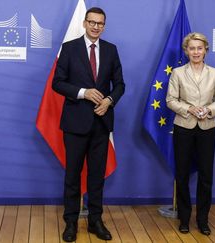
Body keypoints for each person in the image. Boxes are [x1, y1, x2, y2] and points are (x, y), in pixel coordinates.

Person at [52, 7, 125, 242]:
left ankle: (96, 221)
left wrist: (109, 100)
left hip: (101, 123)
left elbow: (121, 84)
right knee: (72, 176)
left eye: (100, 23)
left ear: (104, 25)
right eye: (92, 22)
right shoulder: (70, 48)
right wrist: (83, 92)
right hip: (75, 124)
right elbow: (58, 83)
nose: (96, 26)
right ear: (84, 23)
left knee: (96, 177)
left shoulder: (111, 50)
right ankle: (70, 222)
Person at [166, 32, 215, 235]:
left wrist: (208, 110)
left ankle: (202, 219)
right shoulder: (178, 72)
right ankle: (184, 218)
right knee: (181, 174)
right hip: (183, 127)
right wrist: (188, 109)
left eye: (199, 48)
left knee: (206, 176)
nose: (196, 52)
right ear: (186, 50)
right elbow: (170, 100)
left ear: (206, 50)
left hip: (208, 128)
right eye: (192, 48)